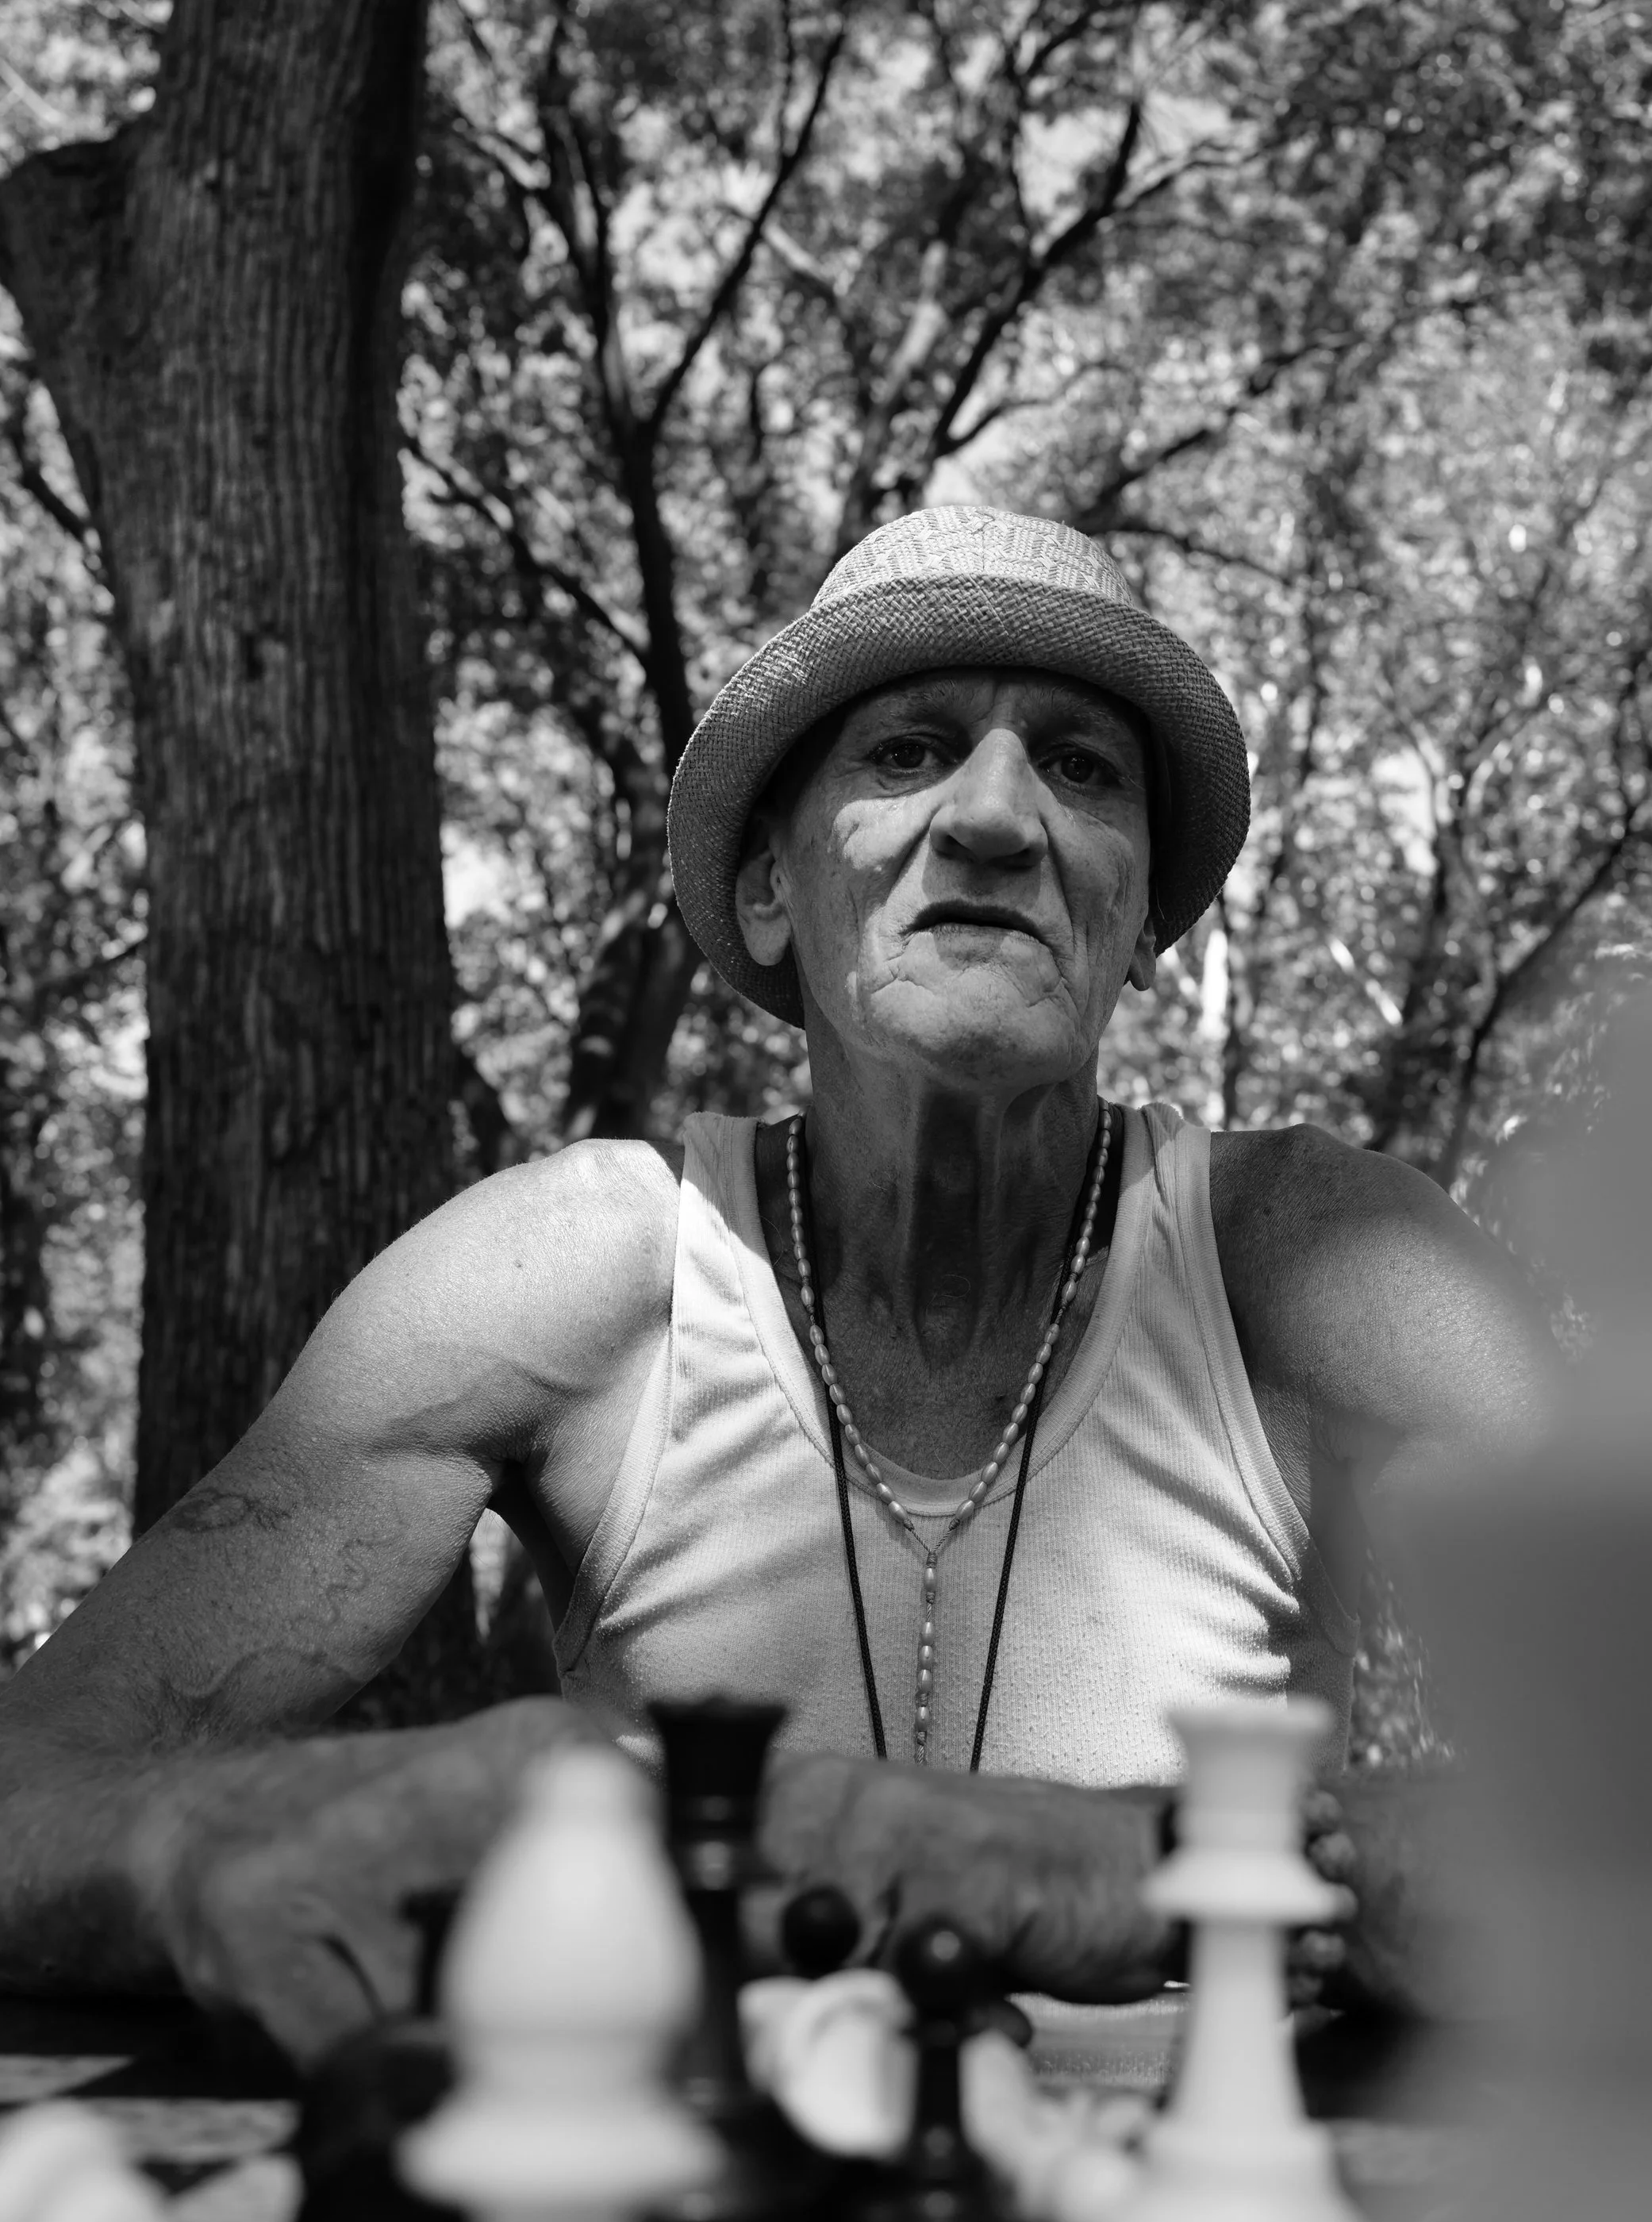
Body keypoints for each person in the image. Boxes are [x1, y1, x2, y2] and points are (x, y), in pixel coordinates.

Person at [0, 507, 1556, 2062]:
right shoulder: (578, 1278)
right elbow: (29, 1794)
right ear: (764, 890)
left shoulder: (1322, 1262)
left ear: (1141, 914)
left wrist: (1443, 1855)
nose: (995, 817)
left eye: (1081, 765)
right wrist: (233, 1836)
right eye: (906, 751)